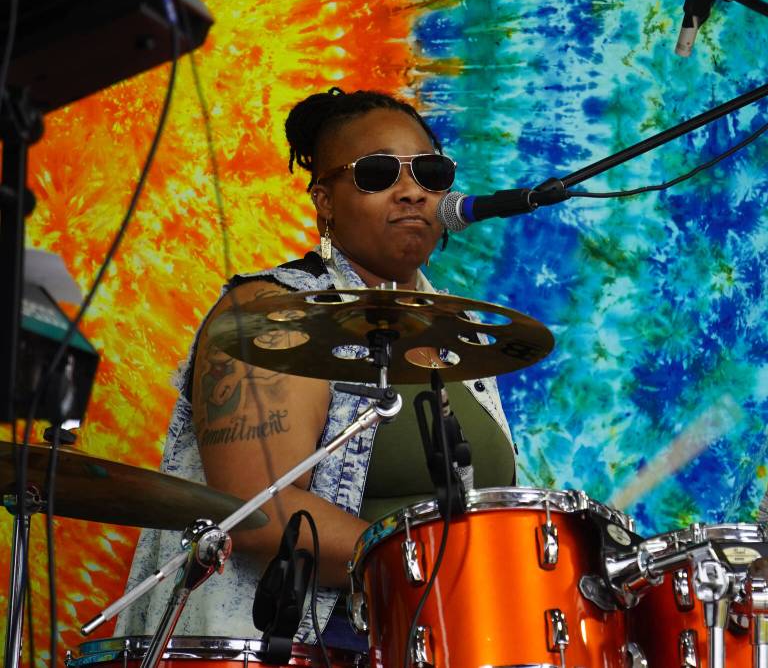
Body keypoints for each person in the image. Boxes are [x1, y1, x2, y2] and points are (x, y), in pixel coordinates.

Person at [116, 88, 517, 649]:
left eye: (429, 172)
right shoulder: (272, 313)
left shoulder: (461, 334)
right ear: (324, 201)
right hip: (304, 645)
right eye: (377, 174)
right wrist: (448, 576)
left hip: (448, 641)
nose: (409, 192)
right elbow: (260, 511)